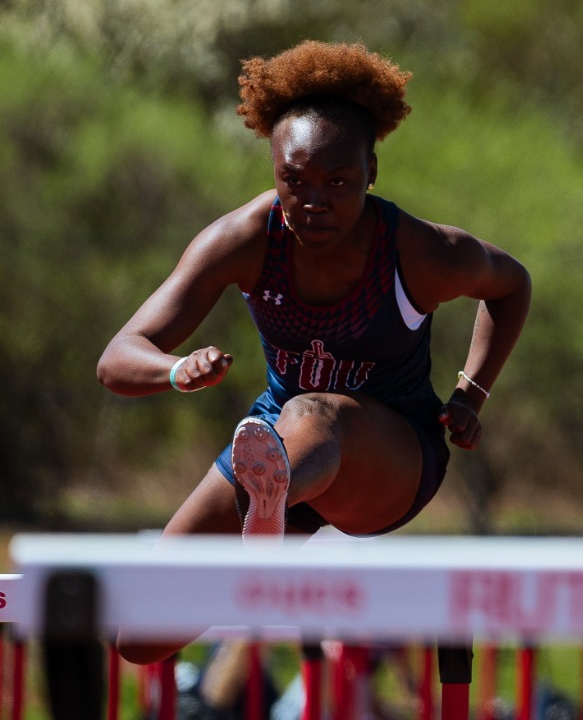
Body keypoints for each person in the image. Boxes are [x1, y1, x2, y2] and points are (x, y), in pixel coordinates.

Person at [98, 42, 532, 662]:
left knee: (310, 413)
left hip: (393, 460)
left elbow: (511, 286)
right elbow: (117, 357)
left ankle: (270, 505)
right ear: (273, 172)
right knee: (140, 636)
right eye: (294, 181)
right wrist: (174, 369)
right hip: (282, 449)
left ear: (372, 172)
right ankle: (268, 518)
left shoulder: (421, 253)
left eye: (338, 182)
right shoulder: (244, 239)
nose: (315, 201)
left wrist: (471, 392)